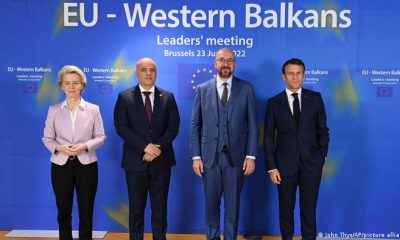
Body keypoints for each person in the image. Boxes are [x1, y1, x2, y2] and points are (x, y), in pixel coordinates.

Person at [190, 48, 258, 240]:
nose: (225, 64)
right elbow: (195, 125)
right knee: (211, 206)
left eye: (229, 60)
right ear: (215, 63)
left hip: (236, 160)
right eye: (221, 60)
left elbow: (253, 125)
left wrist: (251, 156)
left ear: (234, 64)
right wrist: (196, 156)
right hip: (209, 159)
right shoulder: (202, 89)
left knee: (232, 207)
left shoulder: (246, 88)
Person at [114, 58, 180, 240]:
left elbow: (173, 126)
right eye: (144, 70)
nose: (148, 73)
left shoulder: (168, 97)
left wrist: (157, 148)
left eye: (152, 70)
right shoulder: (125, 97)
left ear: (156, 73)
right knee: (136, 207)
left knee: (160, 206)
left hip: (162, 161)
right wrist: (145, 147)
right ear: (137, 72)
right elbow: (121, 127)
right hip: (135, 162)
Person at [264, 58, 330, 240]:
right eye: (291, 73)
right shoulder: (273, 103)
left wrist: (321, 157)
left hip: (311, 165)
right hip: (284, 167)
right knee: (286, 211)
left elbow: (323, 131)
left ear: (303, 75)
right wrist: (272, 167)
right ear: (283, 76)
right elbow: (268, 138)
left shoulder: (315, 99)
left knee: (309, 211)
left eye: (298, 73)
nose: (295, 77)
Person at [42, 65, 106, 240]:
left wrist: (85, 146)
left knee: (86, 210)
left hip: (87, 165)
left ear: (83, 85)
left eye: (76, 83)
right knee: (63, 210)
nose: (71, 87)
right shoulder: (54, 110)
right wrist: (60, 148)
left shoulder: (93, 109)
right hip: (60, 165)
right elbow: (47, 138)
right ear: (61, 86)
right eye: (67, 83)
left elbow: (101, 137)